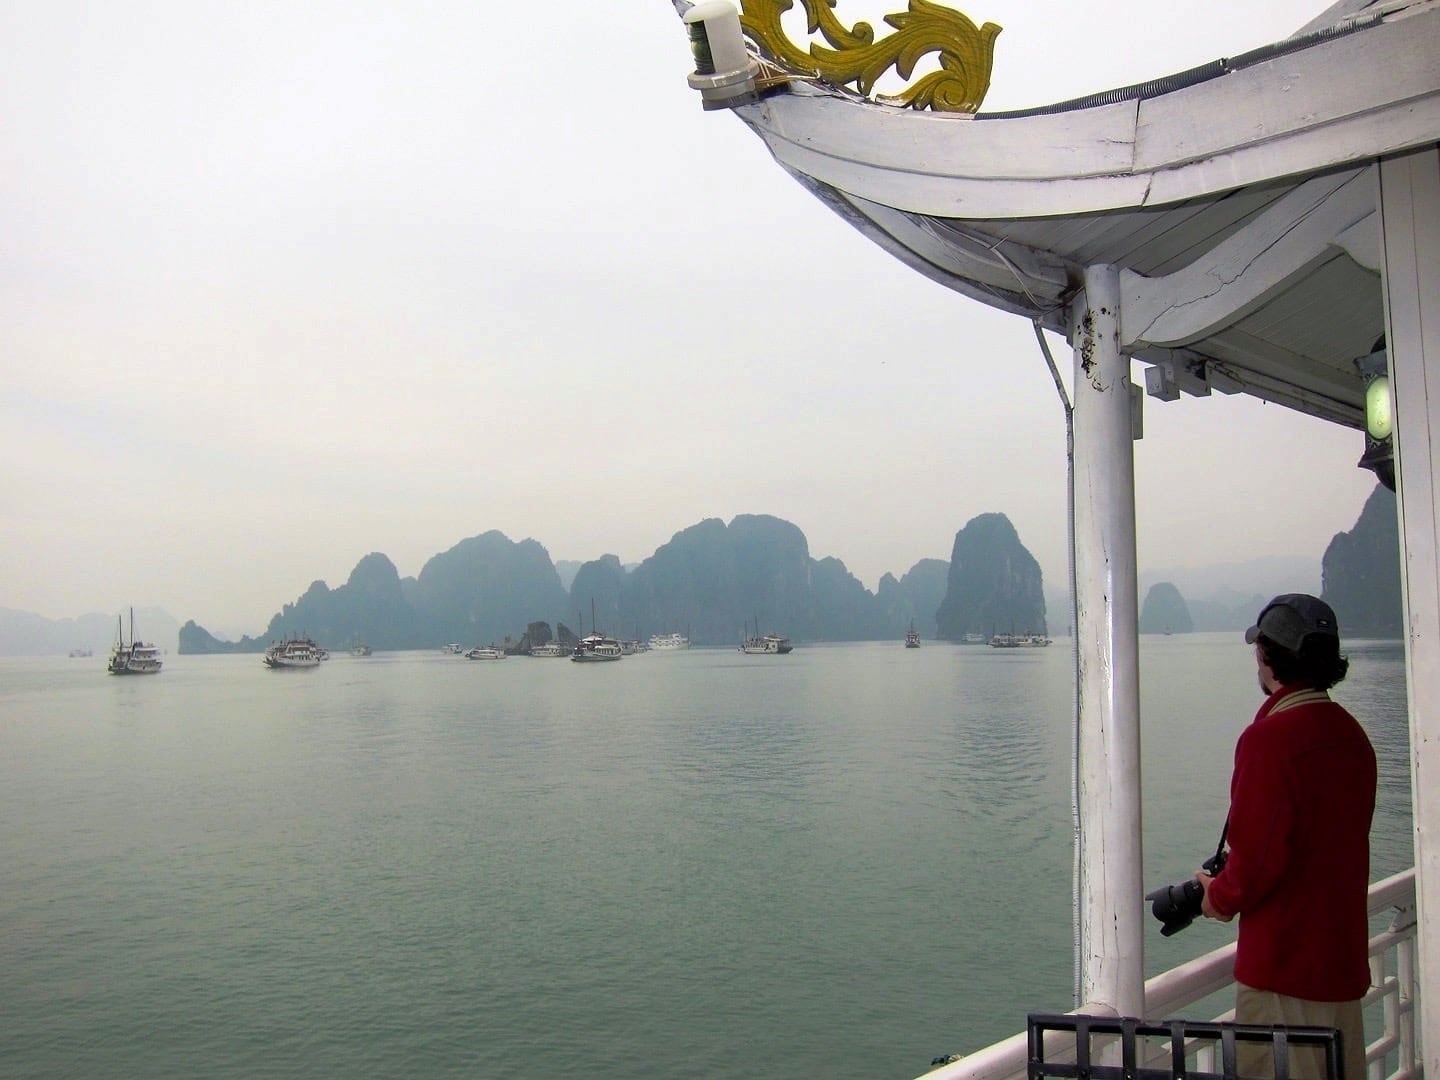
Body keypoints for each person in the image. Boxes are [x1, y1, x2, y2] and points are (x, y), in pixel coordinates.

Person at [1196, 594, 1377, 1079]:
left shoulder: (1270, 741)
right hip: (1340, 972)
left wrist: (1217, 895)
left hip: (1284, 975)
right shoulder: (1352, 736)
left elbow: (1256, 863)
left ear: (1267, 655)